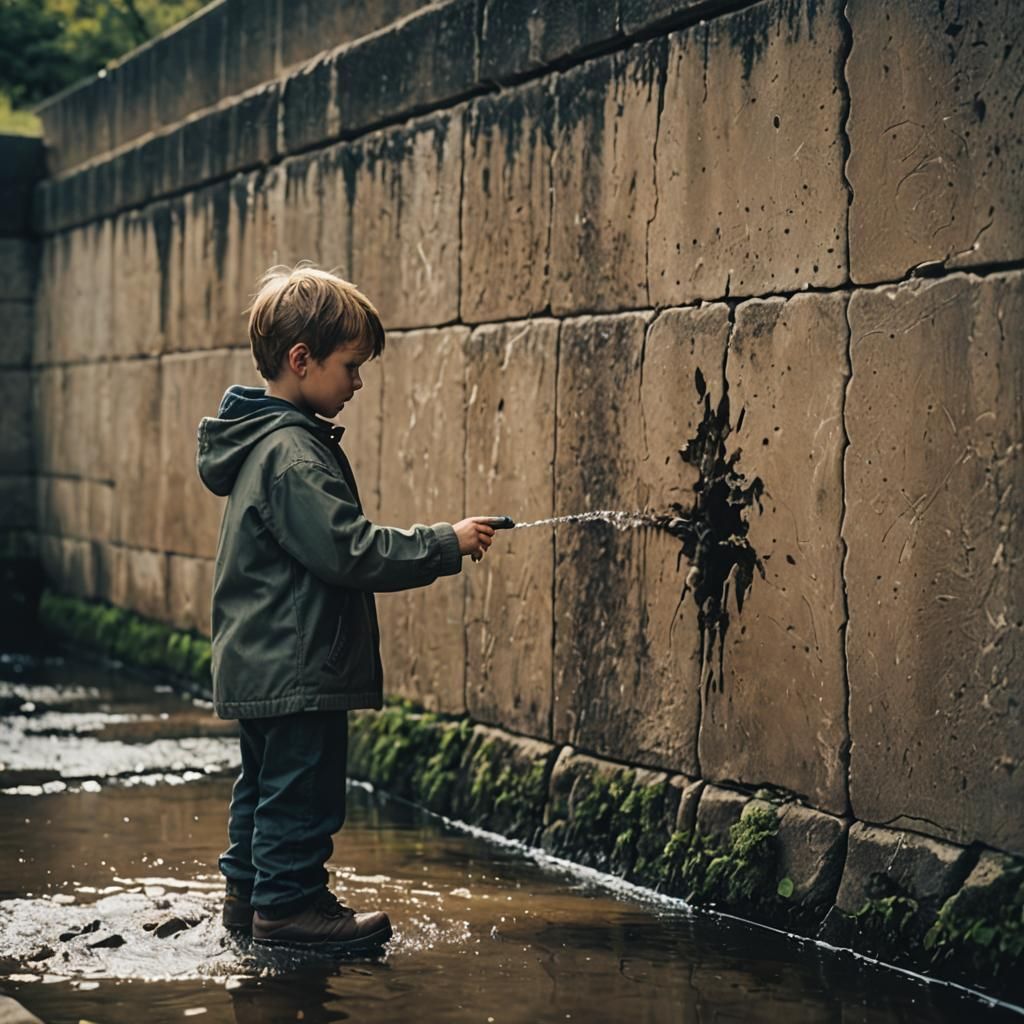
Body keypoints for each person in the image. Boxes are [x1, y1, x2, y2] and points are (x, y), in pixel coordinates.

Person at [196, 264, 497, 955]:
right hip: (298, 665)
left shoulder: (265, 444)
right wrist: (442, 543)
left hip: (263, 661)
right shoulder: (292, 454)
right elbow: (350, 551)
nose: (358, 383)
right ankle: (291, 907)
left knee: (264, 787)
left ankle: (249, 900)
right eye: (350, 366)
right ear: (301, 361)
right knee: (303, 789)